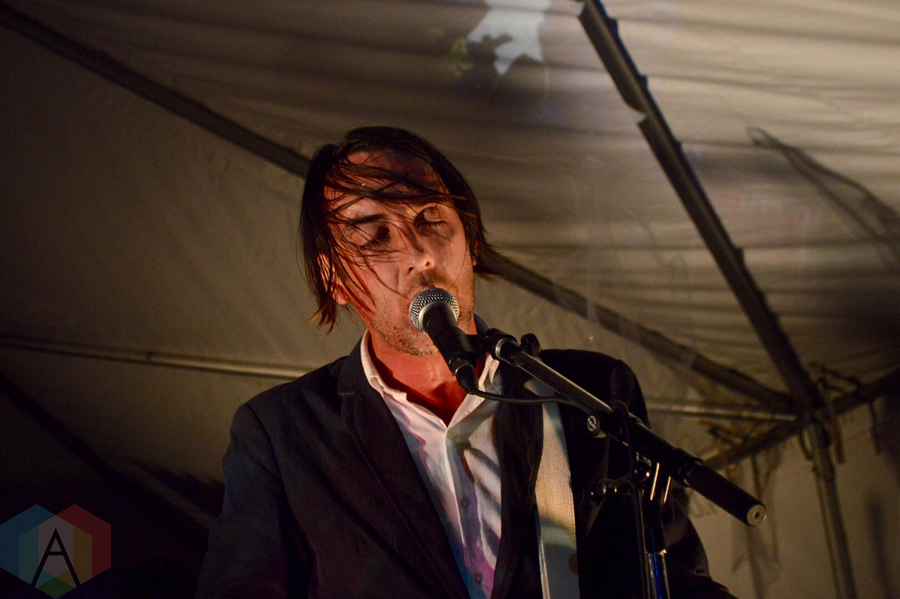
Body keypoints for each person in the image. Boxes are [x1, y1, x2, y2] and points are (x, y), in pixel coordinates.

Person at [196, 126, 734, 599]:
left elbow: (671, 580)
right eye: (375, 234)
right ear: (333, 278)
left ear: (471, 241)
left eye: (431, 219)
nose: (419, 254)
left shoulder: (588, 392)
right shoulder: (283, 432)